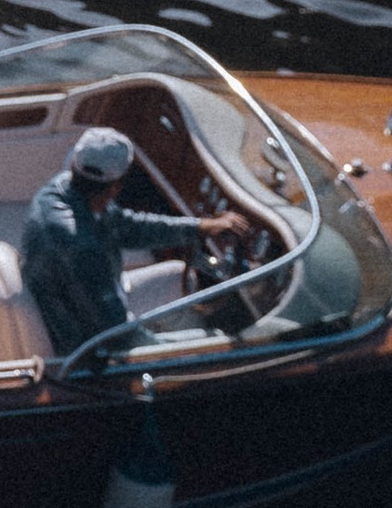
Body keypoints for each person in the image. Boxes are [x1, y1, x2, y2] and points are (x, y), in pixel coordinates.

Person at [19, 126, 242, 362]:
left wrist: (200, 227)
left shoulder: (64, 188)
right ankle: (181, 369)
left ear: (75, 165)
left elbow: (129, 228)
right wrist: (177, 353)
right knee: (213, 345)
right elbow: (116, 333)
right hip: (80, 340)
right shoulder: (82, 247)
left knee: (178, 276)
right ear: (116, 186)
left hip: (80, 299)